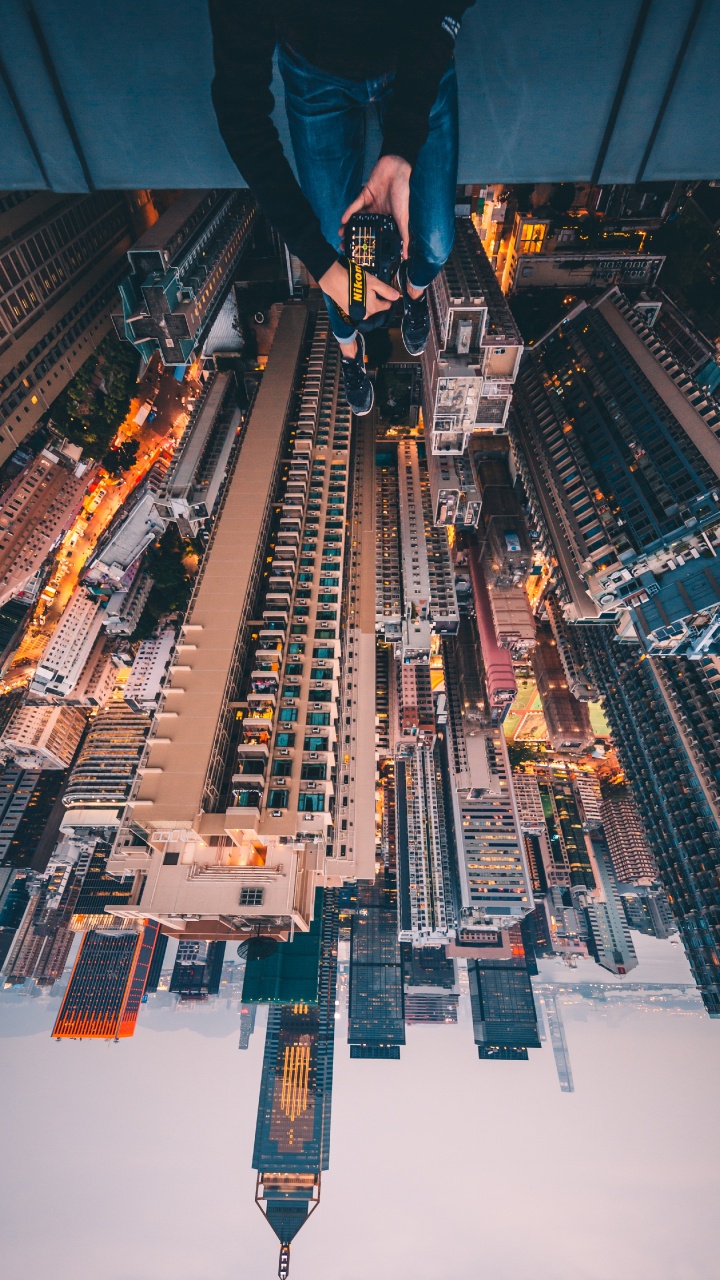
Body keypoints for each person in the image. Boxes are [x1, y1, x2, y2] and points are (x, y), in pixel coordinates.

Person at [209, 1, 474, 415]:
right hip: (314, 72)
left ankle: (414, 292)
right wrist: (321, 265)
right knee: (339, 275)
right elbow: (239, 109)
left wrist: (404, 142)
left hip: (417, 52)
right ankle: (350, 355)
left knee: (436, 244)